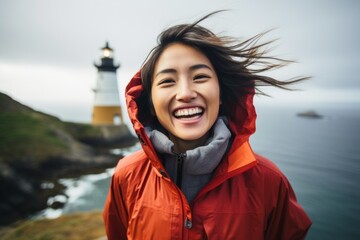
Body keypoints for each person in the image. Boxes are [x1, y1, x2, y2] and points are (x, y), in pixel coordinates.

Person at [103, 11, 312, 240]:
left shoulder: (269, 182)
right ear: (150, 103)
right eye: (167, 81)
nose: (185, 93)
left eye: (200, 77)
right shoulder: (126, 175)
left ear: (220, 93)